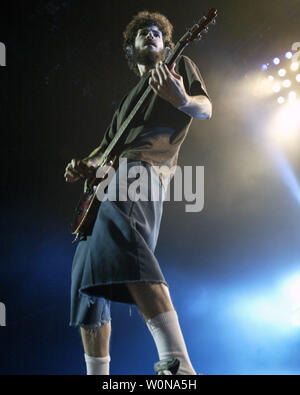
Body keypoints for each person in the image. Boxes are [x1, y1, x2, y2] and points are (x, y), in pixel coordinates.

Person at [64, 11, 212, 375]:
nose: (151, 35)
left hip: (142, 170)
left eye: (157, 33)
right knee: (85, 284)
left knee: (127, 246)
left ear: (167, 45)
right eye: (142, 33)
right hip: (106, 183)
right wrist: (83, 164)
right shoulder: (126, 102)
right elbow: (103, 152)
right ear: (131, 49)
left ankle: (179, 364)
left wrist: (179, 96)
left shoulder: (179, 65)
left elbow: (205, 109)